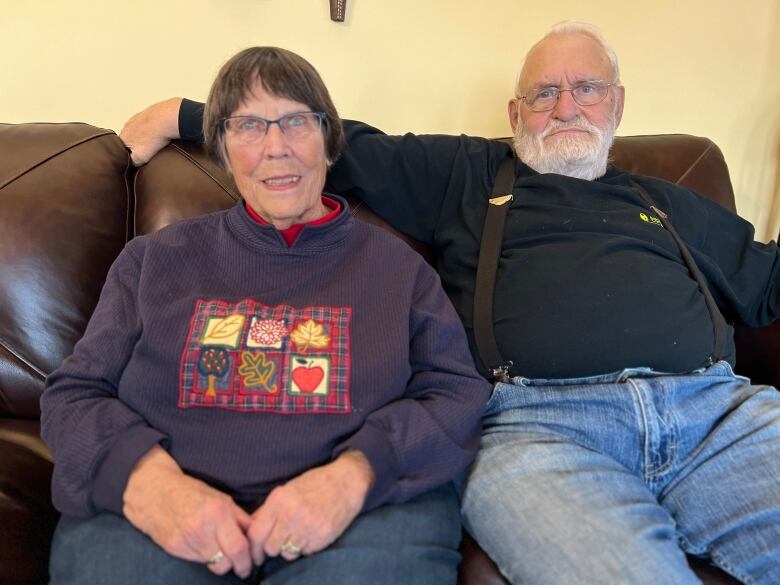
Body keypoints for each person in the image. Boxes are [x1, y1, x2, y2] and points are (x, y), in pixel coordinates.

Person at [119, 22, 780, 584]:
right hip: (541, 433)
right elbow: (325, 143)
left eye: (587, 89)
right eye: (544, 93)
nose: (567, 107)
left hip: (721, 419)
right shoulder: (468, 172)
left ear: (617, 105)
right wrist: (189, 113)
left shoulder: (673, 199)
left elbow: (768, 282)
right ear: (517, 113)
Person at [40, 46, 491, 585]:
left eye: (297, 122)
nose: (275, 148)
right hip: (165, 515)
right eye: (248, 126)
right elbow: (74, 395)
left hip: (362, 518)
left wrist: (353, 477)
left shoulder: (400, 271)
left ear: (329, 142)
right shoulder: (153, 260)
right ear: (225, 152)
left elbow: (454, 393)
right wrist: (149, 483)